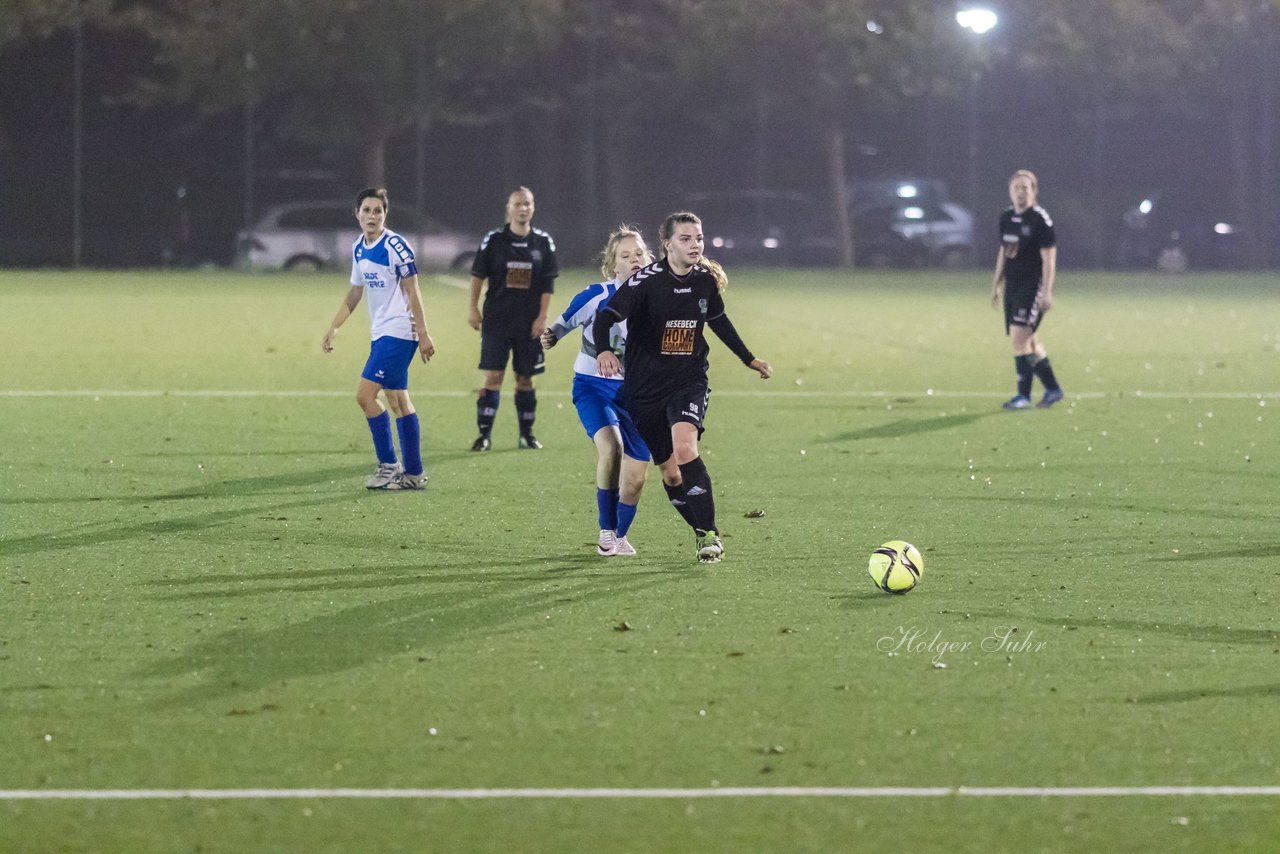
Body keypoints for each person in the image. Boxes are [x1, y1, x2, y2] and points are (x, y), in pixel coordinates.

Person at [592, 212, 771, 564]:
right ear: (668, 244)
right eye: (686, 239)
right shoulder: (645, 282)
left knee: (686, 447)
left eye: (699, 238)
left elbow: (718, 320)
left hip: (688, 381)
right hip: (644, 391)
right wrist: (603, 349)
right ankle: (700, 529)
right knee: (671, 472)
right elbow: (606, 316)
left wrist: (748, 358)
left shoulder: (705, 280)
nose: (695, 245)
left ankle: (710, 535)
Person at [542, 227, 654, 557]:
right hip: (594, 387)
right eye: (625, 256)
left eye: (639, 254)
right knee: (611, 446)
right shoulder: (596, 295)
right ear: (613, 265)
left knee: (635, 480)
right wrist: (551, 336)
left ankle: (619, 535)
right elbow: (561, 325)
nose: (634, 260)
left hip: (639, 393)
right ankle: (606, 530)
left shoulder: (658, 300)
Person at [322, 188, 435, 490]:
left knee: (365, 396)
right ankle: (413, 474)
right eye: (367, 210)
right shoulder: (359, 246)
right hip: (382, 332)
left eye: (378, 211)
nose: (372, 216)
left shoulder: (396, 246)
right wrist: (335, 327)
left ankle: (389, 466)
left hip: (399, 331)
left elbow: (413, 291)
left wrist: (422, 334)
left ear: (385, 215)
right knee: (398, 400)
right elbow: (355, 292)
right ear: (356, 213)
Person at [467, 186, 559, 450]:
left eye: (527, 203)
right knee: (493, 376)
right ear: (509, 208)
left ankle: (526, 435)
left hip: (528, 323)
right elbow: (477, 275)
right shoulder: (494, 240)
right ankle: (484, 436)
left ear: (533, 207)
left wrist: (542, 317)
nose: (523, 208)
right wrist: (473, 308)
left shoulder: (543, 242)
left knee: (525, 379)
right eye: (518, 204)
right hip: (497, 320)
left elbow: (547, 285)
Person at [990, 169, 1064, 409]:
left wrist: (1047, 291)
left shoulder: (1040, 220)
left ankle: (1023, 396)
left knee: (1019, 340)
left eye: (1025, 187)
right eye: (1016, 187)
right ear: (1010, 192)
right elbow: (1004, 252)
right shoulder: (1006, 217)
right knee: (1031, 342)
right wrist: (996, 285)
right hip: (1013, 285)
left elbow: (1049, 259)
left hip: (1032, 287)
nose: (1021, 192)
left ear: (1033, 191)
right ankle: (1053, 389)